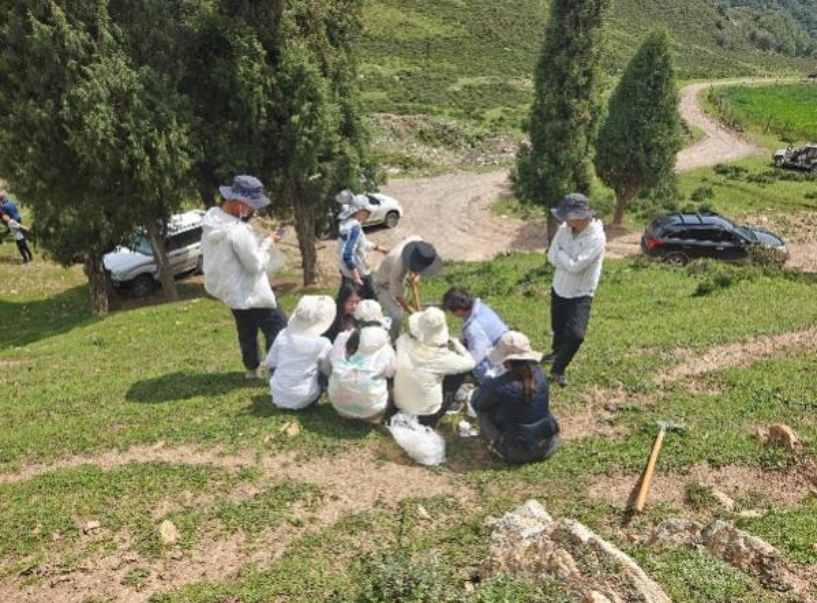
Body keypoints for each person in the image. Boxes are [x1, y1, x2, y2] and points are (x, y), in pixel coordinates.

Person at [201, 174, 287, 379]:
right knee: (278, 326)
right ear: (240, 203)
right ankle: (276, 372)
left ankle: (251, 369)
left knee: (246, 329)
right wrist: (268, 242)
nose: (253, 211)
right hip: (252, 292)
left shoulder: (212, 220)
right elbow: (255, 265)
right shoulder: (237, 231)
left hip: (232, 291)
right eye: (252, 206)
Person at [471, 331, 561, 465]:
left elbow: (477, 403)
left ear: (507, 361)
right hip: (548, 445)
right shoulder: (541, 374)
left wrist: (488, 382)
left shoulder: (499, 385)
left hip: (516, 454)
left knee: (483, 410)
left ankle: (495, 445)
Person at [544, 193, 605, 387]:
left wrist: (561, 255)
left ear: (580, 217)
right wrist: (566, 259)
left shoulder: (596, 238)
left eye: (567, 216)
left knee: (576, 335)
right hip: (559, 286)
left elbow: (576, 266)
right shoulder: (564, 229)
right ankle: (556, 353)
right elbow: (550, 256)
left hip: (581, 293)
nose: (564, 220)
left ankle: (558, 369)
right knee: (558, 326)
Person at [393, 307, 475, 427]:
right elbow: (471, 363)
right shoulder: (442, 357)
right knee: (460, 373)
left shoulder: (402, 341)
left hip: (400, 405)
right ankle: (450, 403)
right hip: (426, 415)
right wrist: (459, 345)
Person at [328, 299, 396, 423]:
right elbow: (390, 372)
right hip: (371, 410)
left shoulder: (342, 337)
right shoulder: (385, 342)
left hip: (339, 405)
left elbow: (332, 361)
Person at [267, 295, 336, 410]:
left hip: (278, 396)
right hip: (306, 399)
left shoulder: (283, 334)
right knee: (324, 369)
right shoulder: (322, 343)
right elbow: (328, 370)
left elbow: (271, 362)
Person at [373, 237, 443, 340]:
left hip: (397, 281)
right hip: (383, 285)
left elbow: (420, 262)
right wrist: (417, 315)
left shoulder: (417, 243)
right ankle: (394, 339)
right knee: (397, 316)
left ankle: (406, 330)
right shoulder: (398, 269)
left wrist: (417, 274)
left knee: (402, 310)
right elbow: (398, 296)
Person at [441, 287, 509, 384]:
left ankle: (484, 384)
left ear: (459, 310)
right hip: (503, 350)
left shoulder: (474, 327)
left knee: (463, 366)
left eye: (452, 311)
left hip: (499, 366)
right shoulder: (481, 308)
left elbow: (474, 358)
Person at [337, 191, 388, 300]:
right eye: (368, 211)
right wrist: (356, 277)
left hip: (346, 273)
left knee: (346, 303)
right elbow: (347, 254)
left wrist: (378, 248)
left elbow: (361, 244)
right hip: (360, 275)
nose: (370, 214)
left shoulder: (346, 224)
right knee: (372, 304)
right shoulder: (354, 228)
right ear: (359, 211)